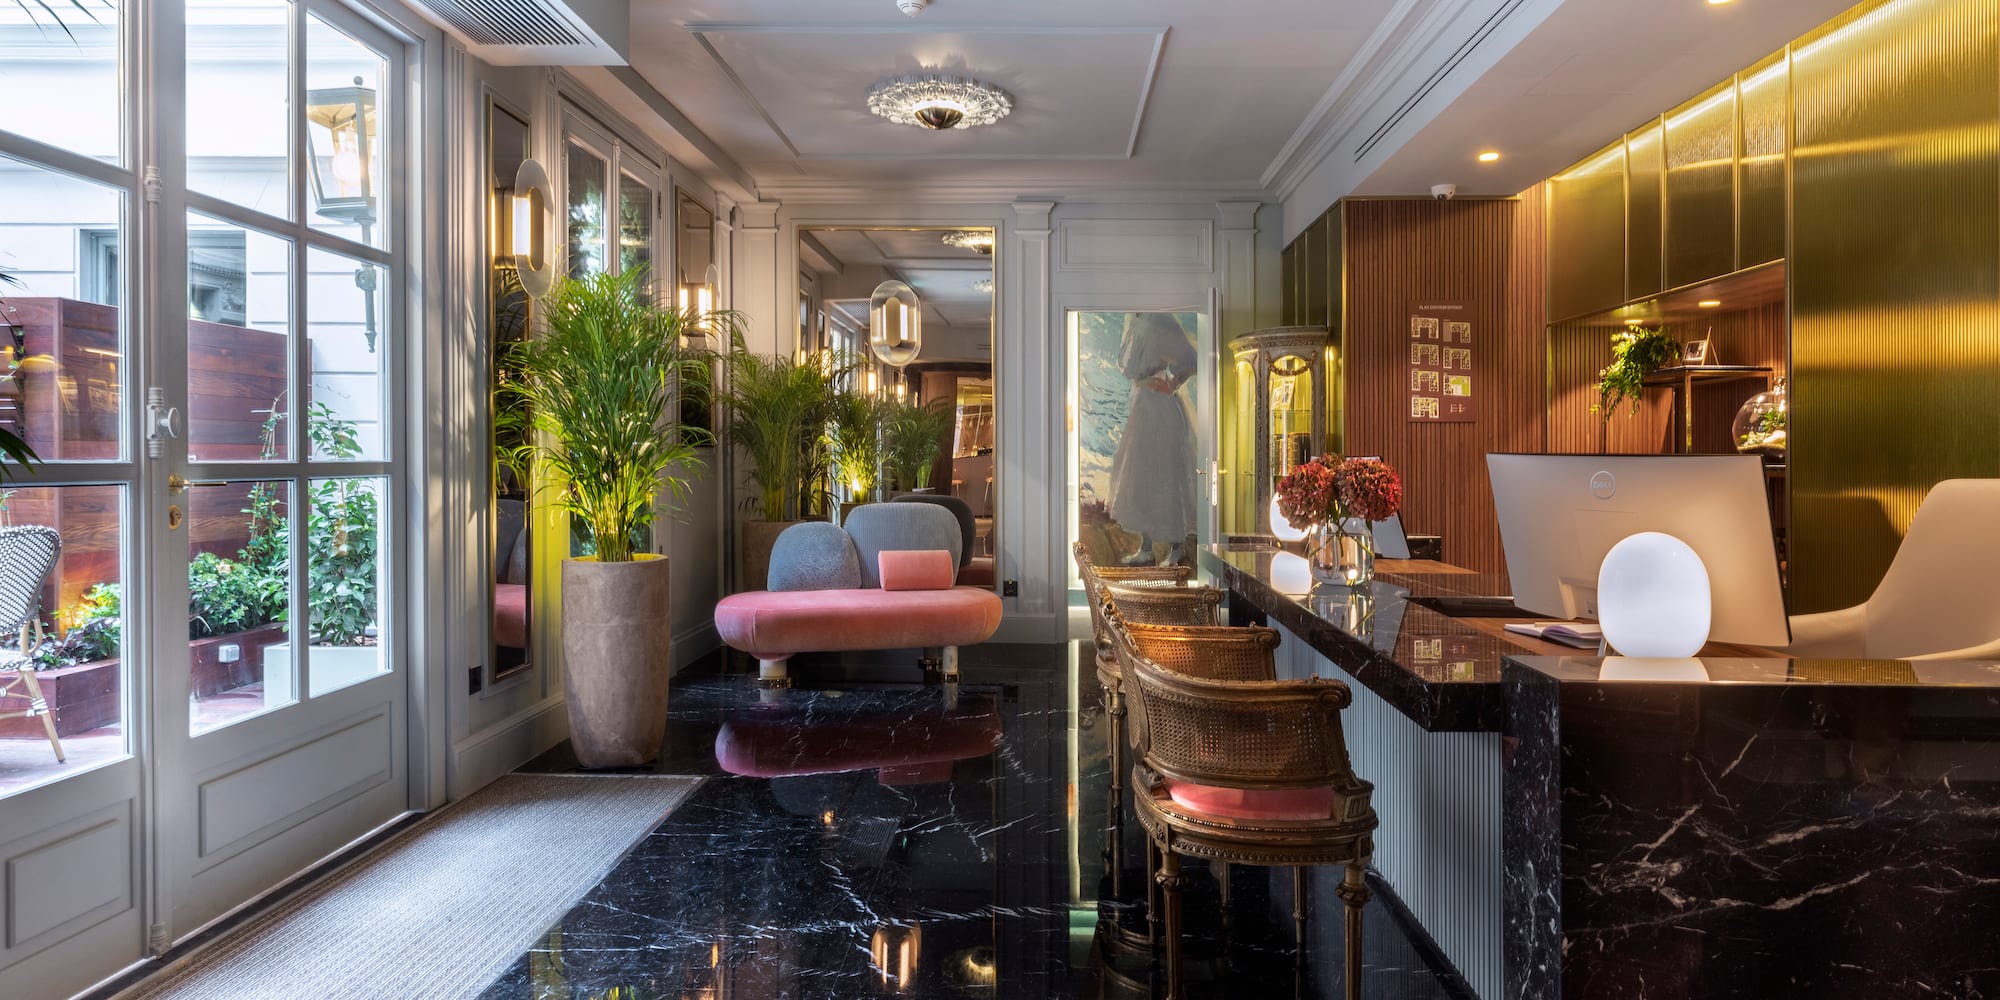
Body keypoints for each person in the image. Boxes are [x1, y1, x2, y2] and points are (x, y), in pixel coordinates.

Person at [1107, 313, 1198, 565]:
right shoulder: (1134, 320)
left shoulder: (1161, 320)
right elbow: (1127, 366)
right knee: (1143, 477)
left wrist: (1173, 383)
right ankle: (1147, 549)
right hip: (1142, 406)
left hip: (1161, 408)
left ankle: (1177, 549)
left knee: (1168, 476)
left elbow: (1191, 359)